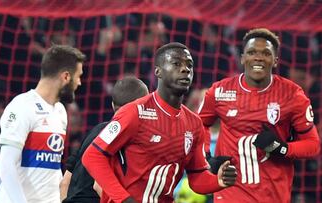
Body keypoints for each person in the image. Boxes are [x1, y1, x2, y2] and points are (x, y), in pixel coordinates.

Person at [82, 42, 237, 203]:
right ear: (158, 71)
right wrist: (125, 199)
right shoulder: (134, 112)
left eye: (189, 65)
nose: (185, 69)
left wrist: (218, 181)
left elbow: (197, 177)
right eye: (176, 64)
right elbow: (92, 156)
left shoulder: (194, 123)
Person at [198, 28, 320, 203]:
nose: (258, 58)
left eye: (266, 53)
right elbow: (198, 124)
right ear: (242, 58)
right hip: (230, 191)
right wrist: (207, 158)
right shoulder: (219, 91)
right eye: (252, 52)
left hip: (272, 193)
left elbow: (313, 145)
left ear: (275, 60)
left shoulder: (292, 95)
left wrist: (283, 148)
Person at [0, 45, 86, 203]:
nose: (79, 82)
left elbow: (51, 165)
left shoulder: (60, 112)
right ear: (66, 77)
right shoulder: (21, 107)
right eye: (78, 76)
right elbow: (6, 166)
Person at [60, 76, 149, 202]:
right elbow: (99, 186)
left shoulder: (96, 131)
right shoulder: (123, 137)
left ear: (113, 105)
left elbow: (64, 182)